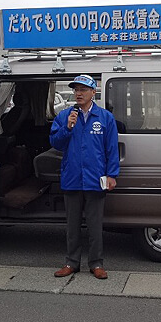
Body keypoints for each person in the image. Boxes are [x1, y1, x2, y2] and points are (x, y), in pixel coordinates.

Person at [50, 74, 119, 280]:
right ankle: (71, 262)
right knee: (72, 225)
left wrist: (112, 175)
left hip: (95, 178)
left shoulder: (105, 117)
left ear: (93, 92)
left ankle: (96, 263)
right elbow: (55, 143)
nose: (78, 93)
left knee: (95, 225)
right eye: (75, 90)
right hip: (72, 178)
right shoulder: (64, 116)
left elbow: (111, 149)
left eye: (83, 89)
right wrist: (68, 128)